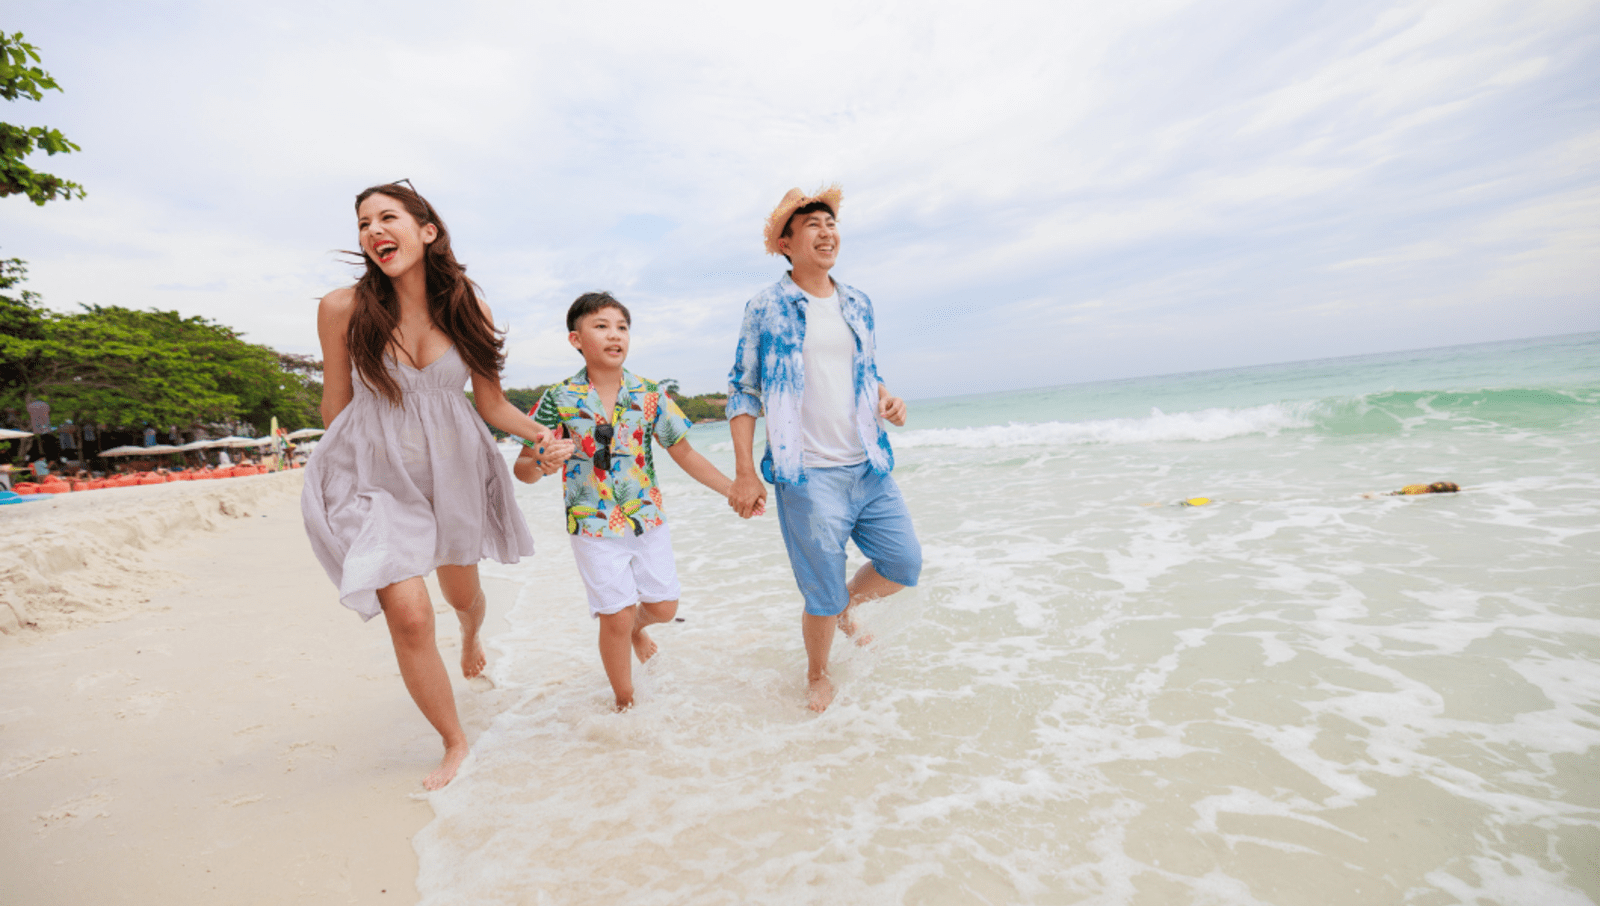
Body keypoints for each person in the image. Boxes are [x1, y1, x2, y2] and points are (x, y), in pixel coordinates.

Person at [301, 181, 572, 789]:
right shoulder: (342, 308)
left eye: (387, 217)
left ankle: (473, 631)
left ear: (427, 231)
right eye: (364, 223)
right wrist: (341, 480)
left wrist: (540, 438)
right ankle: (454, 742)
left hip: (455, 466)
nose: (373, 231)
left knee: (460, 594)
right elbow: (335, 406)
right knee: (411, 615)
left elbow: (492, 403)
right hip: (378, 477)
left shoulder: (465, 306)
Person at [726, 185, 922, 713]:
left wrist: (888, 398)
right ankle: (817, 672)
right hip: (806, 473)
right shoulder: (766, 306)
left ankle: (846, 609)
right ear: (786, 244)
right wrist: (745, 471)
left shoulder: (858, 302)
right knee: (820, 589)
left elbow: (865, 372)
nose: (826, 231)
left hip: (869, 464)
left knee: (903, 563)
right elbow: (744, 390)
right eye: (811, 224)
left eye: (830, 223)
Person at [514, 292, 758, 711]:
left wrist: (733, 488)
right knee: (615, 613)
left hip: (646, 519)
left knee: (663, 607)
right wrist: (543, 460)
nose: (615, 335)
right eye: (601, 326)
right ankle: (625, 702)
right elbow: (523, 468)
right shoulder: (558, 398)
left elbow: (684, 452)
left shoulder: (650, 395)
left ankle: (635, 629)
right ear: (576, 339)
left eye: (622, 327)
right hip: (591, 525)